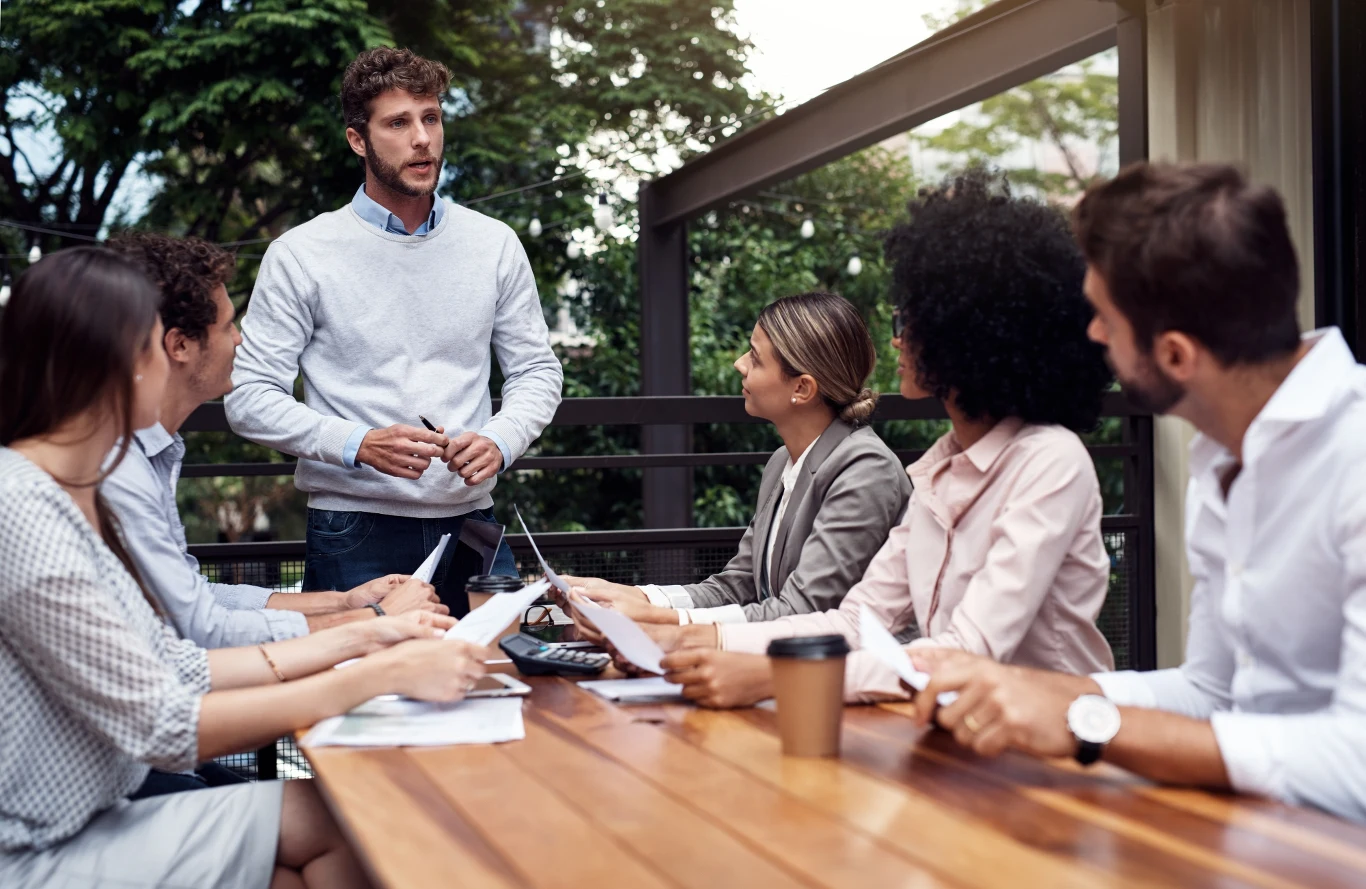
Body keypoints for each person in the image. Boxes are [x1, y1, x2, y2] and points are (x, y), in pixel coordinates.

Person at [0, 247, 486, 888]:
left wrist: (371, 634)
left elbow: (176, 662)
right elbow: (164, 725)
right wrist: (378, 672)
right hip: (36, 849)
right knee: (362, 823)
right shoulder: (25, 508)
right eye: (151, 344)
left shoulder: (65, 488)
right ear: (121, 362)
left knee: (341, 831)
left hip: (86, 816)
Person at [902, 162, 1366, 824]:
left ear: (1175, 354)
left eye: (1106, 319)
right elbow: (1212, 691)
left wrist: (1082, 720)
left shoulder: (1354, 456)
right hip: (1264, 833)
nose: (1092, 333)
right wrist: (1030, 690)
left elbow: (1357, 758)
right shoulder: (1223, 457)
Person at [642, 167, 1116, 707]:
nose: (896, 341)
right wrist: (692, 640)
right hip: (950, 730)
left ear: (967, 335)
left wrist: (771, 675)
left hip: (1051, 742)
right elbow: (855, 621)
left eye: (908, 322)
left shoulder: (1052, 462)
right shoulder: (941, 467)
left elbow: (964, 652)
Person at [226, 46, 563, 613]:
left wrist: (502, 440)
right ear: (358, 140)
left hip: (473, 521)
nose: (422, 139)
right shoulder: (301, 253)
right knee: (365, 670)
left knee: (502, 662)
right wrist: (357, 443)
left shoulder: (494, 243)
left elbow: (537, 371)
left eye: (431, 118)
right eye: (398, 123)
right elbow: (249, 398)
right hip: (353, 528)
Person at [103, 232, 448, 650]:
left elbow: (195, 601)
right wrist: (373, 620)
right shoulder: (116, 469)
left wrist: (343, 602)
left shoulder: (153, 452)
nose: (239, 339)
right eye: (228, 326)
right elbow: (200, 630)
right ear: (179, 345)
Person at [561, 292, 909, 626]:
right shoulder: (782, 463)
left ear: (802, 388)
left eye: (755, 358)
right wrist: (633, 596)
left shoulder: (865, 468)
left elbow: (802, 610)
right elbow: (736, 588)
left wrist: (655, 620)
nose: (739, 363)